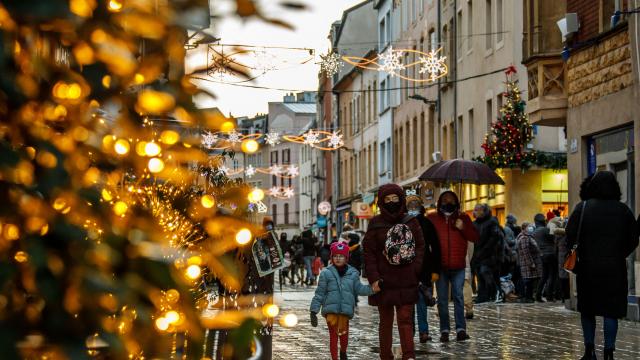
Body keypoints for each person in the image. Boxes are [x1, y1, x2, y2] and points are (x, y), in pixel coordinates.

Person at [566, 171, 639, 360]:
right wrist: (619, 254)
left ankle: (589, 351)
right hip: (614, 268)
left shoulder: (583, 208)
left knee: (588, 310)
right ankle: (609, 352)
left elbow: (570, 235)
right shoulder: (623, 210)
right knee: (611, 311)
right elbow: (633, 239)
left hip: (587, 268)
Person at [363, 184, 425, 360]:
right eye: (387, 199)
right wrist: (374, 278)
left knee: (405, 319)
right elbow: (369, 253)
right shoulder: (375, 223)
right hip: (384, 280)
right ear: (382, 202)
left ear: (401, 199)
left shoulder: (411, 221)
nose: (391, 202)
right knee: (386, 322)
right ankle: (385, 355)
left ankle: (409, 355)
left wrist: (415, 269)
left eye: (394, 198)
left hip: (407, 278)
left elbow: (420, 247)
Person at [310, 242, 378, 360]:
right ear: (332, 257)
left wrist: (372, 289)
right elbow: (320, 293)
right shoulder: (326, 273)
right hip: (330, 310)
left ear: (346, 258)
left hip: (345, 311)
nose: (338, 258)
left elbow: (359, 289)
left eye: (341, 256)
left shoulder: (353, 273)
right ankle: (335, 358)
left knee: (344, 336)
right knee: (333, 336)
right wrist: (313, 310)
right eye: (335, 256)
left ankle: (343, 351)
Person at [427, 191, 478, 343]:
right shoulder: (432, 218)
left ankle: (461, 329)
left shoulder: (463, 218)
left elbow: (475, 237)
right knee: (442, 300)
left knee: (458, 297)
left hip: (458, 266)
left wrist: (463, 227)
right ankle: (444, 330)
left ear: (456, 202)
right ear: (440, 202)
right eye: (445, 199)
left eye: (451, 199)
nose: (448, 202)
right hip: (440, 266)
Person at [406, 194, 441, 343]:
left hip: (424, 268)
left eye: (416, 203)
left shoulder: (427, 223)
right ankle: (410, 331)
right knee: (408, 303)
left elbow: (436, 247)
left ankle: (423, 331)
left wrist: (435, 270)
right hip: (406, 268)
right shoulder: (403, 223)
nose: (413, 206)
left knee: (421, 300)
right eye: (410, 204)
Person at [471, 203, 503, 304]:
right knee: (479, 275)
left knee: (486, 272)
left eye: (477, 210)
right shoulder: (474, 223)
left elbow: (495, 238)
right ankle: (483, 295)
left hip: (491, 255)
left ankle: (497, 292)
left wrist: (484, 250)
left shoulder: (492, 221)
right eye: (474, 209)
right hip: (477, 254)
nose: (474, 211)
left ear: (484, 211)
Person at [515, 223, 542, 303]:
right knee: (528, 280)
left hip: (529, 262)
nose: (531, 228)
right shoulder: (524, 238)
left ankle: (529, 297)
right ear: (524, 228)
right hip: (528, 263)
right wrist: (531, 263)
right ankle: (527, 297)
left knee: (530, 280)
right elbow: (526, 251)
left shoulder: (528, 236)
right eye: (529, 227)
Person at [533, 213, 556, 302]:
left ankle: (538, 296)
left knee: (544, 276)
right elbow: (554, 238)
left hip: (542, 255)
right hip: (550, 254)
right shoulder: (545, 230)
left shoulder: (535, 232)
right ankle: (549, 296)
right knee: (552, 275)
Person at [548, 209, 568, 301]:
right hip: (565, 255)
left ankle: (563, 296)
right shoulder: (565, 234)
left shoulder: (557, 234)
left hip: (560, 255)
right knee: (565, 276)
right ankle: (565, 296)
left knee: (561, 276)